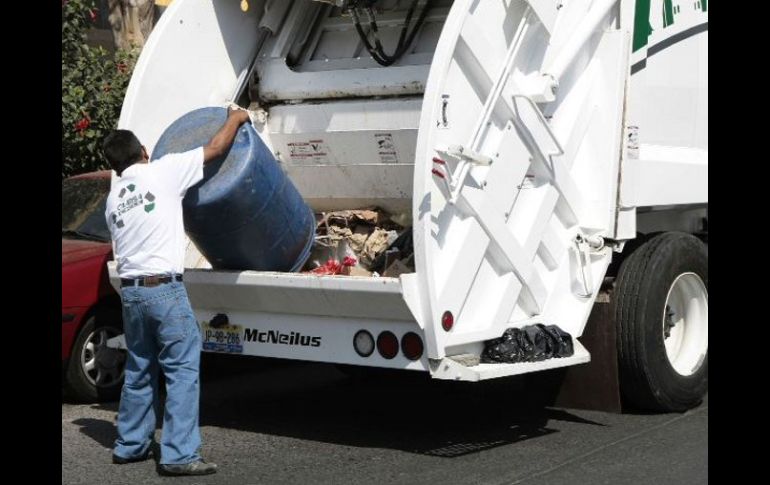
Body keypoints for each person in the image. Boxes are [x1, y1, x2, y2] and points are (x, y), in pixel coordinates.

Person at [102, 107, 251, 476]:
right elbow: (215, 148)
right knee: (182, 369)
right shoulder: (163, 171)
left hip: (132, 292)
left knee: (139, 368)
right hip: (163, 291)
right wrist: (237, 117)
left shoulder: (114, 198)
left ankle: (130, 445)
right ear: (145, 151)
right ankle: (179, 455)